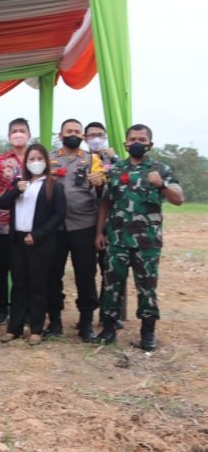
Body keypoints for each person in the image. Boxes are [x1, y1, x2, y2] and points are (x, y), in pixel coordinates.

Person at [93, 124, 184, 350]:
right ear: (125, 143)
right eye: (133, 138)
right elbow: (105, 201)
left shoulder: (160, 169)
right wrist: (99, 232)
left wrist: (161, 184)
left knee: (147, 287)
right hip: (116, 240)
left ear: (149, 144)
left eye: (142, 139)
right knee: (111, 284)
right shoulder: (115, 170)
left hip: (147, 243)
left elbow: (179, 198)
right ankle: (109, 328)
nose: (137, 142)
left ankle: (148, 332)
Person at [0, 144, 66, 345]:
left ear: (45, 161)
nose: (35, 163)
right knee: (18, 285)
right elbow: (3, 203)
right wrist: (15, 191)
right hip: (17, 240)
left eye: (39, 159)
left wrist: (37, 235)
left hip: (40, 242)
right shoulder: (19, 182)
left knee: (38, 285)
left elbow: (59, 215)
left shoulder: (54, 186)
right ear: (25, 163)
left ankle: (36, 329)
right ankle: (14, 328)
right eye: (31, 159)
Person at [46, 119, 105, 342]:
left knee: (86, 275)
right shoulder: (49, 159)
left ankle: (86, 323)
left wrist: (99, 182)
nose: (73, 134)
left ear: (82, 136)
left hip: (84, 226)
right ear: (60, 136)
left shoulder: (92, 159)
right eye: (68, 131)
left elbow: (102, 191)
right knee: (53, 274)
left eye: (77, 132)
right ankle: (54, 321)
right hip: (55, 227)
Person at [0, 118, 31, 325]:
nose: (18, 134)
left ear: (29, 135)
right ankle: (0, 308)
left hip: (29, 224)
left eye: (22, 131)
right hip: (3, 223)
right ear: (9, 136)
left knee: (22, 268)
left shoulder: (37, 160)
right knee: (2, 268)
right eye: (14, 131)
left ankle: (21, 308)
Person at [85, 121, 123, 328]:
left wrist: (114, 158)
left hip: (110, 225)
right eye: (91, 135)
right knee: (87, 270)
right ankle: (88, 315)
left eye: (99, 134)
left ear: (106, 136)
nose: (96, 138)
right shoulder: (82, 159)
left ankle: (109, 314)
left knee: (109, 269)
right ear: (85, 138)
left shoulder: (115, 161)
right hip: (84, 222)